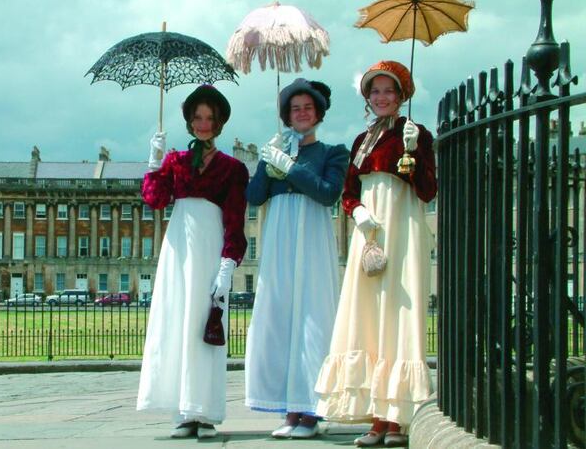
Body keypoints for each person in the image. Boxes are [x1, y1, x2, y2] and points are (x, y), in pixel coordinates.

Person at [314, 60, 437, 447]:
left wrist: (414, 154)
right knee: (367, 315)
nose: (382, 97)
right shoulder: (361, 142)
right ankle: (375, 418)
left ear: (402, 96)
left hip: (402, 230)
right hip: (368, 236)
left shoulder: (417, 136)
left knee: (398, 314)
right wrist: (360, 213)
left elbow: (428, 190)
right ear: (367, 97)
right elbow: (349, 193)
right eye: (375, 91)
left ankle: (397, 417)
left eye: (389, 91)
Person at [136, 84, 249, 439]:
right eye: (198, 117)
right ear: (189, 121)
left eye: (210, 118)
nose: (203, 124)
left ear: (219, 124)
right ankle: (184, 412)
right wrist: (154, 162)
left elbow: (235, 219)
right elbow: (154, 200)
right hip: (178, 250)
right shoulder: (176, 162)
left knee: (205, 328)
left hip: (209, 248)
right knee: (177, 325)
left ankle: (206, 412)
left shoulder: (233, 168)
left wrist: (228, 265)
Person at [244, 78, 350, 439]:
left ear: (318, 113)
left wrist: (289, 167)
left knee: (311, 316)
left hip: (312, 235)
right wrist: (265, 161)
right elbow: (256, 196)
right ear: (287, 116)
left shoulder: (332, 152)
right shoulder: (277, 151)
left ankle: (311, 411)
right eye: (294, 108)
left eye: (307, 107)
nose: (301, 113)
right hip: (279, 238)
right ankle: (289, 408)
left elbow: (327, 193)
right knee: (280, 317)